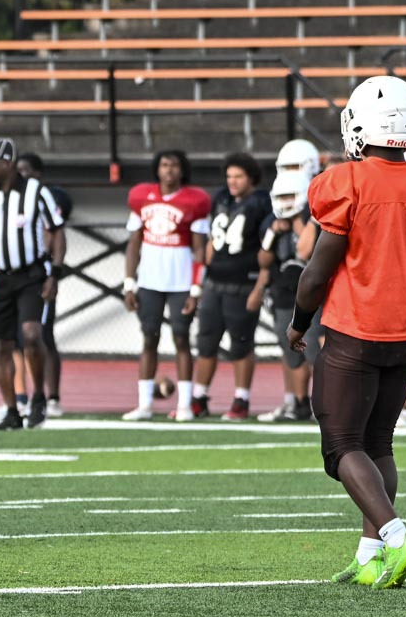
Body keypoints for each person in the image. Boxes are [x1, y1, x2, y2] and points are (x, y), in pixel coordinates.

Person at [289, 75, 406, 589]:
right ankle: (370, 556)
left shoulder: (346, 182)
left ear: (362, 126)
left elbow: (316, 273)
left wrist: (300, 323)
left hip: (353, 330)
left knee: (342, 445)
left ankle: (395, 535)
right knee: (378, 442)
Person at [0, 137, 64, 430]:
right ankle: (12, 410)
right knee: (2, 345)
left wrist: (54, 273)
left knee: (31, 334)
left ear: (6, 164)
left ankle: (39, 398)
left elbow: (57, 232)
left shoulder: (36, 192)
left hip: (31, 275)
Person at [120, 149, 211, 421]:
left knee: (181, 338)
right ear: (156, 169)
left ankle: (184, 404)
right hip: (149, 279)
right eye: (164, 165)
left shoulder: (195, 201)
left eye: (173, 165)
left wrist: (196, 288)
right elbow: (134, 244)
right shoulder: (140, 197)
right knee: (149, 337)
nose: (168, 170)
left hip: (180, 279)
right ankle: (144, 404)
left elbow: (199, 250)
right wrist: (128, 282)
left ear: (182, 170)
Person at [192, 153, 271, 420]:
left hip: (243, 284)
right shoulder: (221, 198)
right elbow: (213, 241)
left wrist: (260, 286)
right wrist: (202, 279)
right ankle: (199, 397)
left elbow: (267, 249)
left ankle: (241, 400)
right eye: (229, 176)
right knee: (206, 342)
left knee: (241, 345)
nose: (232, 181)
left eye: (238, 176)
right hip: (215, 282)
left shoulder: (261, 202)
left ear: (251, 178)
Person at [256, 170, 316, 422]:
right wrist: (272, 233)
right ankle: (298, 403)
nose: (286, 201)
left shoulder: (314, 219)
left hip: (311, 294)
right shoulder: (271, 222)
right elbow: (263, 261)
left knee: (314, 347)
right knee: (289, 348)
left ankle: (320, 403)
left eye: (290, 195)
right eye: (282, 196)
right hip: (283, 293)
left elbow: (304, 251)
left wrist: (301, 224)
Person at [16, 152, 70, 417]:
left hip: (40, 270)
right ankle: (21, 396)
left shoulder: (46, 196)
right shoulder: (7, 197)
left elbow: (53, 230)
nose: (20, 175)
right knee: (17, 338)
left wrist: (53, 271)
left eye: (25, 170)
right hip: (15, 275)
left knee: (42, 335)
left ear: (38, 173)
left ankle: (52, 397)